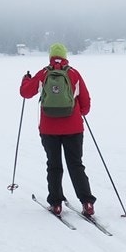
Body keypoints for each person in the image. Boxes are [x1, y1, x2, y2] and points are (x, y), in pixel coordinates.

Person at [19, 43, 95, 217]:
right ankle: (87, 202)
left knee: (54, 166)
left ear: (50, 57)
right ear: (66, 56)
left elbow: (25, 93)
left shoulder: (44, 74)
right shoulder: (74, 74)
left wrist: (25, 80)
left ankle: (56, 204)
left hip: (49, 129)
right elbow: (86, 102)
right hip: (74, 129)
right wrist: (76, 114)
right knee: (76, 165)